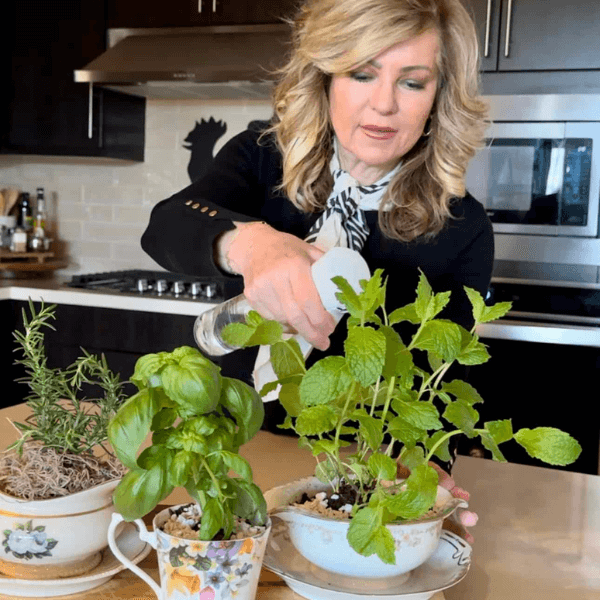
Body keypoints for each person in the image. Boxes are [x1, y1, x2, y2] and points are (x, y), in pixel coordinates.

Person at [141, 0, 492, 539]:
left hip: (349, 479)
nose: (383, 105)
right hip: (234, 453)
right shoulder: (262, 157)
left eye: (412, 82)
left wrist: (423, 468)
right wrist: (251, 243)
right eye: (361, 73)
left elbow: (443, 381)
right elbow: (165, 225)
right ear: (324, 76)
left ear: (438, 97)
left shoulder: (460, 223)